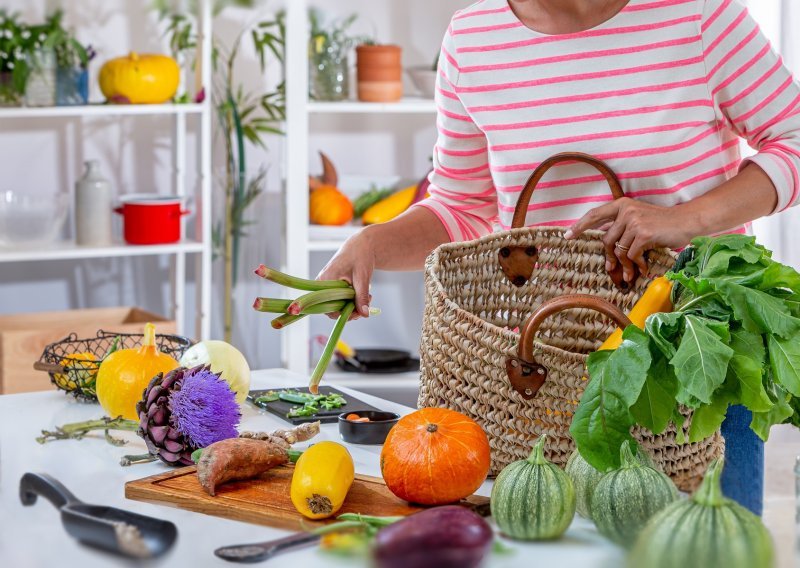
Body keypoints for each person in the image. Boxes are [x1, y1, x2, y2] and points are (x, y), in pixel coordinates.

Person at [319, 0, 800, 515]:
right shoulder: (473, 36)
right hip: (546, 367)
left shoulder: (698, 13)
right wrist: (371, 242)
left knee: (706, 549)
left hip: (697, 359)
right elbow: (463, 205)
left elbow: (792, 138)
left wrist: (685, 218)